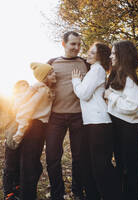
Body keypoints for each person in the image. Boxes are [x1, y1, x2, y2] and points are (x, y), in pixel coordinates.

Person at [71, 42, 121, 200]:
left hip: (99, 123)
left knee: (101, 166)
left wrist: (75, 81)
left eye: (93, 52)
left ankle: (114, 195)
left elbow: (84, 94)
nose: (89, 54)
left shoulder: (97, 69)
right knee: (90, 163)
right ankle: (94, 195)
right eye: (89, 51)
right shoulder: (95, 70)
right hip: (92, 123)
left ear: (100, 56)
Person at [46, 31, 89, 200]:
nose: (77, 48)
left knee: (80, 157)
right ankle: (57, 194)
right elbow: (42, 85)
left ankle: (78, 191)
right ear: (63, 44)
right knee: (52, 157)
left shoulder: (86, 63)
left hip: (79, 116)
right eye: (73, 44)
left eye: (79, 44)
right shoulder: (51, 63)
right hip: (55, 117)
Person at [4, 62, 56, 200]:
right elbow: (26, 110)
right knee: (29, 165)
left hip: (39, 128)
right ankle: (26, 195)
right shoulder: (43, 90)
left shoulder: (44, 88)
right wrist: (20, 133)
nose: (54, 74)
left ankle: (22, 191)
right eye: (50, 73)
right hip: (34, 128)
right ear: (44, 77)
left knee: (32, 164)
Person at [104, 40, 138, 200]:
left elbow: (133, 106)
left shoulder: (129, 77)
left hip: (128, 129)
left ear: (122, 55)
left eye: (114, 53)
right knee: (123, 167)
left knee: (132, 170)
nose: (111, 56)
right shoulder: (118, 75)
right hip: (120, 127)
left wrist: (111, 96)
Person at [3, 80, 29, 200]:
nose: (25, 87)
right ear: (16, 89)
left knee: (20, 164)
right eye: (22, 85)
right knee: (10, 165)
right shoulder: (14, 99)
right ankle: (8, 193)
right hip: (12, 136)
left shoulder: (29, 98)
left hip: (24, 137)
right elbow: (14, 112)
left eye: (26, 85)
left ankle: (17, 187)